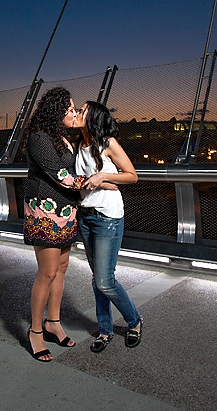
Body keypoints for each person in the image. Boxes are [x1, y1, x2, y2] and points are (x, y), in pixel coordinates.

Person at [22, 87, 110, 362]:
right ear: (55, 110)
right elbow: (61, 175)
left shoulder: (61, 137)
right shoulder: (38, 137)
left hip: (66, 211)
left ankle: (53, 323)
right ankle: (35, 332)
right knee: (47, 273)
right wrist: (98, 181)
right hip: (45, 213)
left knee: (61, 269)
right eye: (69, 109)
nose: (73, 113)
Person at [72, 100, 143, 353]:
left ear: (94, 118)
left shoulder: (108, 144)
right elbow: (79, 180)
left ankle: (134, 321)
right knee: (98, 278)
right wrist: (97, 182)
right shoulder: (79, 146)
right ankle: (105, 329)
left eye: (82, 110)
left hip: (107, 217)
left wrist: (104, 176)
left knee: (104, 280)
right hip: (85, 216)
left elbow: (132, 175)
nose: (77, 113)